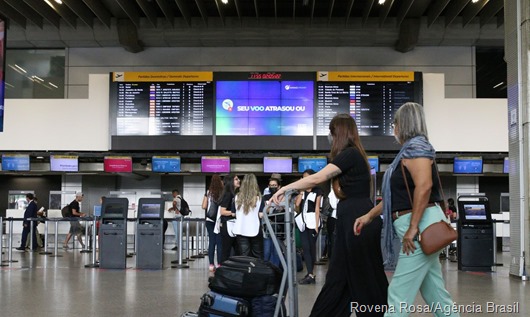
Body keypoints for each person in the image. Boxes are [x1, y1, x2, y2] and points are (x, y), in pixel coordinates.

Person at [271, 113, 388, 316]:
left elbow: (318, 177)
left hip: (357, 220)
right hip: (351, 219)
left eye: (332, 132)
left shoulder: (350, 154)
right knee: (341, 278)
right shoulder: (353, 155)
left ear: (340, 133)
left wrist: (284, 189)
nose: (330, 137)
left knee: (365, 281)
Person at [354, 102, 459, 317]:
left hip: (419, 231)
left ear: (404, 124)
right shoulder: (409, 150)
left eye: (395, 123)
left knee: (398, 295)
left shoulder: (417, 148)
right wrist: (369, 216)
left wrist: (412, 228)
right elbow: (397, 198)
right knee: (436, 294)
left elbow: (424, 186)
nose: (394, 127)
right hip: (421, 227)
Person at [294, 169, 323, 285]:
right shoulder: (302, 191)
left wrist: (316, 226)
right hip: (303, 222)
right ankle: (310, 274)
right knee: (305, 247)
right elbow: (297, 205)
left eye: (306, 177)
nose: (304, 179)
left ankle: (311, 273)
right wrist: (301, 191)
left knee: (311, 248)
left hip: (313, 222)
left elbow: (317, 209)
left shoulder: (318, 191)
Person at [233, 174, 263, 258]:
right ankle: (256, 271)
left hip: (240, 229)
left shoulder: (237, 197)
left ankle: (246, 271)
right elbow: (261, 215)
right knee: (257, 256)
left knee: (244, 257)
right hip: (255, 229)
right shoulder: (259, 198)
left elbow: (234, 213)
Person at [202, 174, 224, 271]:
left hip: (210, 220)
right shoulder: (223, 192)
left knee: (212, 242)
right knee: (219, 243)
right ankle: (219, 264)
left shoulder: (208, 192)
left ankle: (211, 265)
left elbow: (203, 206)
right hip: (219, 220)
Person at [260, 176, 283, 268]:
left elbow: (282, 209)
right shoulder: (265, 197)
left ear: (279, 187)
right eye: (270, 185)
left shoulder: (283, 197)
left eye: (274, 185)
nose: (272, 187)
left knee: (277, 252)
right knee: (267, 251)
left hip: (279, 228)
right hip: (266, 228)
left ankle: (276, 272)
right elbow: (263, 211)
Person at [219, 174, 241, 263]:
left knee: (235, 250)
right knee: (226, 250)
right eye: (236, 179)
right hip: (227, 225)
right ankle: (223, 269)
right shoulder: (228, 194)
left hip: (232, 225)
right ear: (230, 182)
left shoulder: (235, 194)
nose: (239, 180)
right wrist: (234, 213)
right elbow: (222, 211)